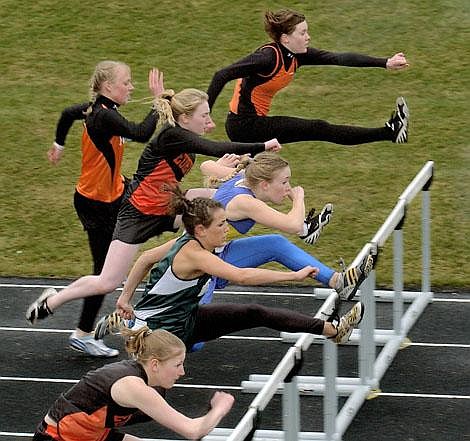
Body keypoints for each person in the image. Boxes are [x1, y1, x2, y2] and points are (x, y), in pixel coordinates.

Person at [26, 87, 282, 326]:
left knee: (220, 204)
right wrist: (263, 145)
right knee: (107, 280)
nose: (211, 123)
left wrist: (235, 165)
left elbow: (211, 155)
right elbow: (215, 148)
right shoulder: (173, 135)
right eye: (204, 116)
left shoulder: (185, 135)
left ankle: (199, 268)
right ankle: (53, 300)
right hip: (139, 214)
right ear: (184, 119)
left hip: (170, 205)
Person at [95, 189, 365, 349]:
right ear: (200, 229)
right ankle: (132, 324)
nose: (227, 230)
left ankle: (335, 331)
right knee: (161, 380)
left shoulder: (186, 239)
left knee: (254, 312)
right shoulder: (195, 254)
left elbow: (144, 259)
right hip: (164, 332)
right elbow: (241, 276)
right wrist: (293, 275)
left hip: (184, 318)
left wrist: (124, 298)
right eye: (221, 225)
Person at [45, 61, 163, 357]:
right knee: (104, 275)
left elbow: (66, 114)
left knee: (159, 216)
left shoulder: (92, 109)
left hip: (112, 194)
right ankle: (81, 330)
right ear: (108, 87)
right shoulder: (103, 117)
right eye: (126, 82)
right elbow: (140, 133)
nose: (131, 87)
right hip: (97, 205)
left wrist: (59, 145)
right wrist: (160, 101)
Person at [207, 8, 410, 146]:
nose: (308, 37)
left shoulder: (296, 55)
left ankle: (390, 132)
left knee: (262, 175)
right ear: (286, 38)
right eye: (303, 33)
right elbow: (221, 75)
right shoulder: (267, 57)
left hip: (254, 123)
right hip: (244, 126)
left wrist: (385, 62)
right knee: (318, 128)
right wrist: (206, 115)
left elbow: (338, 58)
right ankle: (390, 132)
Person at [32, 327, 235, 441]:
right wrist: (220, 407)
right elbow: (193, 431)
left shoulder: (149, 381)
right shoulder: (133, 386)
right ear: (155, 364)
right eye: (178, 365)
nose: (182, 372)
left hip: (91, 435)